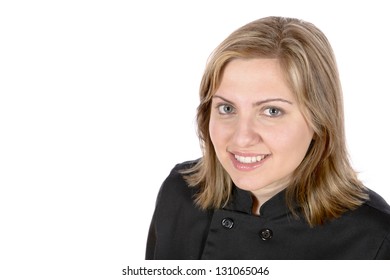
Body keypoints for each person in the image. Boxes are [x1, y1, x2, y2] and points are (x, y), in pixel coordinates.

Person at [145, 16, 390, 259]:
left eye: (272, 111)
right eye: (227, 108)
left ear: (319, 121)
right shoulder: (180, 192)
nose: (242, 138)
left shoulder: (375, 238)